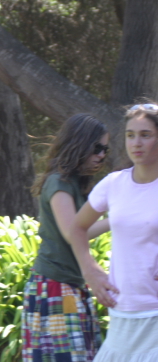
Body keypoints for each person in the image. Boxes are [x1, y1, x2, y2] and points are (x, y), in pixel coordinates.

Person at [69, 102, 158, 362]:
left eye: (145, 135)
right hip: (122, 314)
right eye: (130, 135)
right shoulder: (113, 184)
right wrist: (90, 271)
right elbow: (77, 227)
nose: (136, 143)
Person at [21, 113, 111, 362]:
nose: (102, 155)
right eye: (97, 148)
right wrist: (116, 220)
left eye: (105, 149)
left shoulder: (74, 184)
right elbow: (73, 233)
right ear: (79, 143)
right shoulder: (59, 183)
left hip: (70, 286)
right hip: (55, 288)